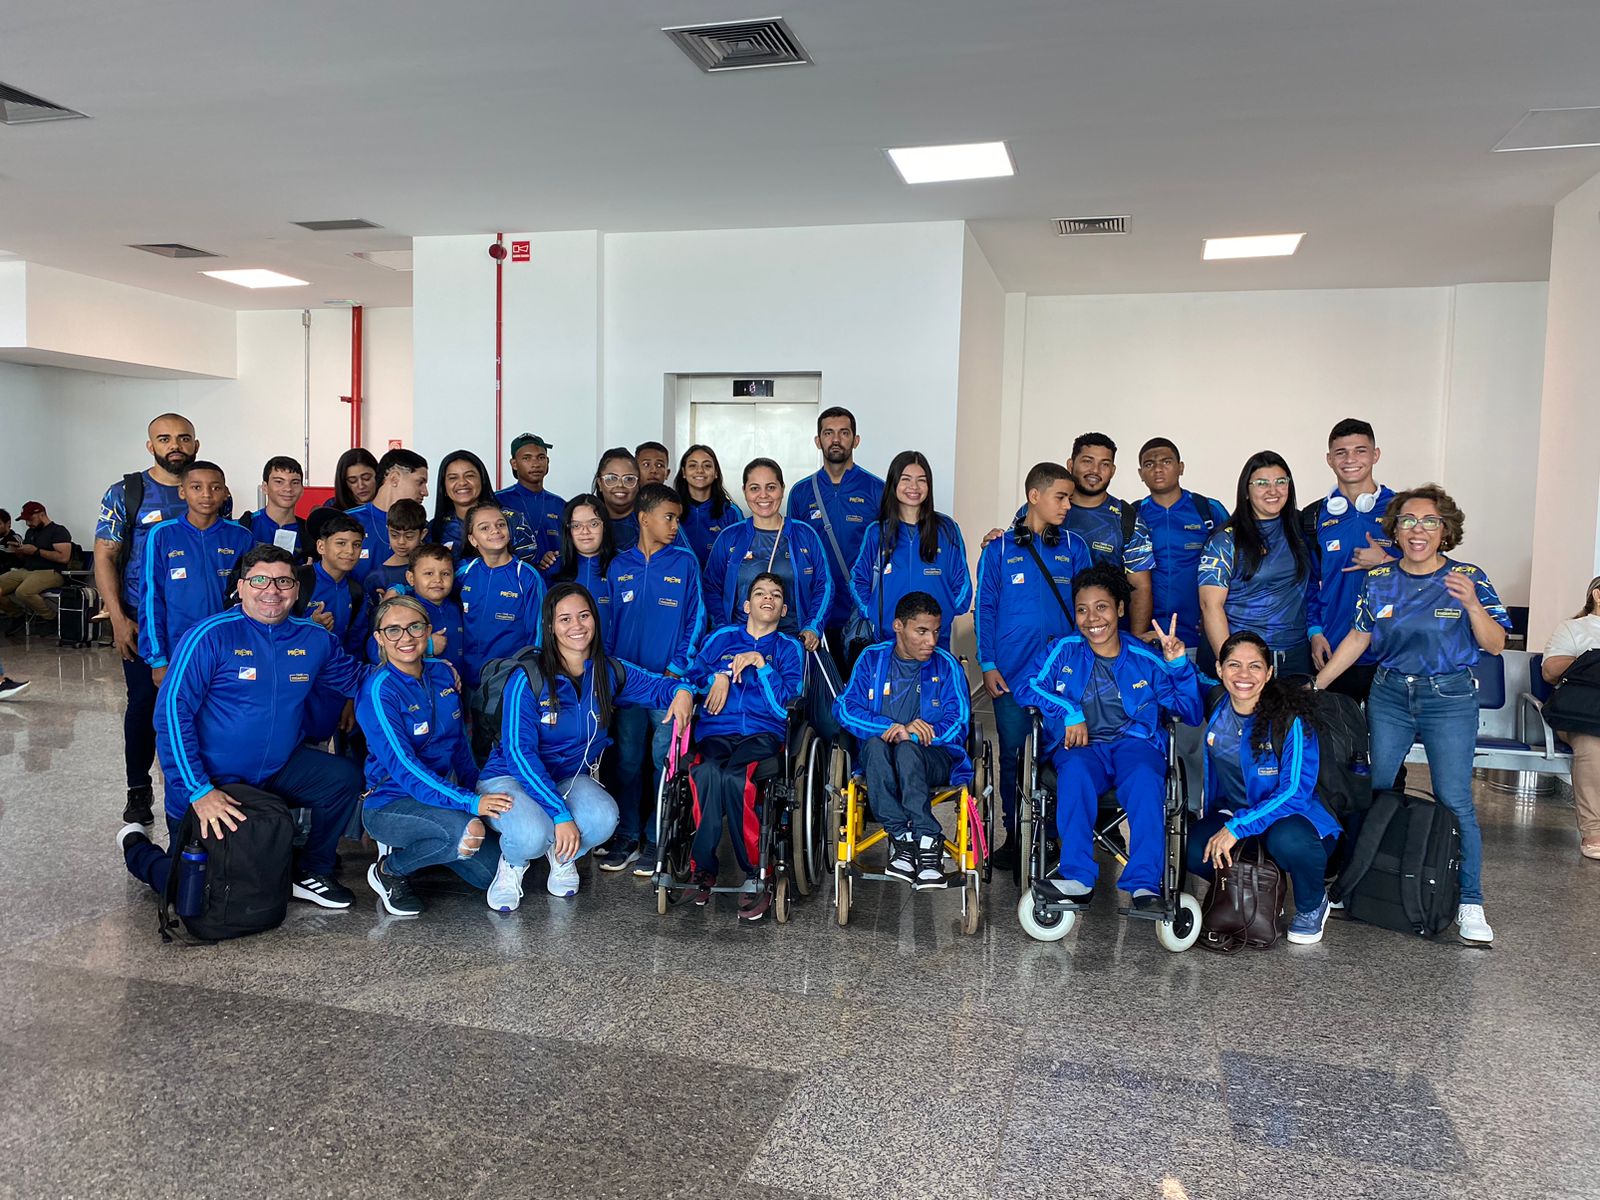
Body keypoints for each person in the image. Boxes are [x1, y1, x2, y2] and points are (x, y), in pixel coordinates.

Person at [113, 545, 368, 909]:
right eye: (260, 580)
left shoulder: (314, 639)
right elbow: (171, 714)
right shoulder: (208, 636)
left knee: (342, 778)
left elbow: (361, 681)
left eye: (283, 581)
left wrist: (427, 669)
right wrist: (199, 791)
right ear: (242, 586)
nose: (272, 590)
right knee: (192, 890)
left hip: (279, 770)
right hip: (211, 780)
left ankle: (312, 870)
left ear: (296, 589)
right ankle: (135, 845)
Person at [1315, 484, 1511, 944]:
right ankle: (1355, 880)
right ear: (1395, 529)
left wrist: (1471, 604)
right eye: (1407, 521)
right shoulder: (1379, 579)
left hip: (1449, 698)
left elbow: (1496, 644)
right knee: (1373, 788)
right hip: (1389, 695)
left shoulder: (1468, 575)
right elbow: (1360, 638)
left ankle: (1470, 900)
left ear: (1445, 530)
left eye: (1428, 521)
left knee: (1453, 797)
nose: (1417, 529)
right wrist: (1316, 687)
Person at [477, 582, 695, 910]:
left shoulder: (607, 671)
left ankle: (561, 856)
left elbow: (660, 685)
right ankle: (513, 863)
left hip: (567, 776)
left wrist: (683, 692)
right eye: (564, 619)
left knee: (605, 818)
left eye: (584, 615)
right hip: (510, 778)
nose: (577, 626)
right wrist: (560, 814)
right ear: (549, 627)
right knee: (530, 834)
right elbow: (520, 754)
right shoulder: (528, 678)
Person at [1020, 564, 1202, 907]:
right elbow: (1028, 687)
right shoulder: (1063, 650)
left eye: (1101, 606)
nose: (1092, 619)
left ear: (1120, 608)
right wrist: (1069, 711)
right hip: (1081, 747)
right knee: (1073, 774)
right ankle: (1076, 876)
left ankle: (1146, 883)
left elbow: (1189, 711)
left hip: (1134, 743)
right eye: (1082, 609)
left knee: (1148, 778)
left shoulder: (1145, 657)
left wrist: (1178, 665)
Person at [95, 413, 221, 826]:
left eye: (184, 438)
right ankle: (138, 789)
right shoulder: (126, 492)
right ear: (150, 446)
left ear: (196, 444)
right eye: (165, 439)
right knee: (145, 705)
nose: (175, 445)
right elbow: (105, 556)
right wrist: (117, 618)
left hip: (203, 628)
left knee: (202, 708)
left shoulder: (210, 490)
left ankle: (193, 784)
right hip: (141, 621)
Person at [357, 595, 508, 917]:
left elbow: (458, 745)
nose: (406, 638)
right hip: (390, 803)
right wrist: (470, 804)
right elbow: (405, 767)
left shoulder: (441, 673)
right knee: (466, 834)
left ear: (428, 631)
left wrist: (479, 789)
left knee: (490, 875)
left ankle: (426, 842)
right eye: (393, 630)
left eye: (414, 627)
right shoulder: (379, 691)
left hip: (437, 797)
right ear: (379, 638)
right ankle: (391, 870)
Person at [975, 461, 1094, 870]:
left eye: (1070, 498)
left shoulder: (1075, 547)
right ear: (1034, 496)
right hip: (1009, 674)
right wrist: (987, 663)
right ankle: (1014, 834)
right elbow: (985, 610)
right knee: (1013, 755)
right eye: (1061, 497)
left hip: (1061, 678)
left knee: (1063, 754)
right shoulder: (1000, 549)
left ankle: (1056, 837)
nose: (1067, 506)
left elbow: (1088, 610)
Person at [1191, 631, 1343, 945]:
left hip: (1298, 821)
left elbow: (1295, 792)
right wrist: (1177, 657)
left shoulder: (1290, 720)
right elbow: (1183, 678)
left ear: (1269, 672)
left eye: (1254, 666)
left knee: (1287, 840)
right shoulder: (1217, 702)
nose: (1243, 675)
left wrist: (1237, 827)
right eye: (1233, 665)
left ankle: (1313, 903)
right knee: (1194, 848)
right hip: (1240, 815)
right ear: (1219, 670)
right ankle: (1260, 886)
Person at [594, 483, 705, 874]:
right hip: (625, 687)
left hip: (665, 685)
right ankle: (626, 834)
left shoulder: (685, 563)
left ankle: (658, 837)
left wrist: (677, 668)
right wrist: (608, 676)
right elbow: (605, 629)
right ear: (644, 519)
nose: (675, 526)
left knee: (663, 761)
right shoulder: (618, 566)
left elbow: (696, 620)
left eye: (677, 518)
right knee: (625, 761)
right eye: (668, 517)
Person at [683, 572, 806, 919]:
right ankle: (702, 867)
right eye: (761, 593)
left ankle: (755, 871)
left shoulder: (789, 648)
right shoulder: (722, 637)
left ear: (783, 610)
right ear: (746, 605)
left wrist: (762, 665)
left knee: (737, 779)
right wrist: (716, 677)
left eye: (777, 595)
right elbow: (691, 677)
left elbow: (787, 706)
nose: (769, 599)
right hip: (716, 731)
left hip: (762, 734)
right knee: (706, 772)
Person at [834, 591, 972, 890]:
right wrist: (887, 727)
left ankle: (927, 839)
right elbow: (844, 707)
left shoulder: (946, 665)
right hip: (879, 759)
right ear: (899, 626)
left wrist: (913, 734)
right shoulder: (871, 659)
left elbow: (959, 720)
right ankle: (902, 837)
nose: (931, 641)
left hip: (932, 759)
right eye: (921, 631)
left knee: (908, 749)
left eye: (935, 631)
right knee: (873, 744)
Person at [1198, 452, 1320, 678]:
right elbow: (1210, 606)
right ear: (1246, 490)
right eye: (1262, 483)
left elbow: (1313, 585)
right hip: (1245, 659)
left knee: (1295, 714)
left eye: (1280, 482)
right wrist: (1232, 666)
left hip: (1295, 655)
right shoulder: (1225, 540)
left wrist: (1316, 632)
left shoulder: (1302, 530)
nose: (1273, 491)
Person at [1304, 419, 1396, 700]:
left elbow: (1429, 574)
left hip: (1392, 652)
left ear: (1376, 455)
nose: (1351, 459)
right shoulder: (1314, 516)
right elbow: (1308, 583)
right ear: (1329, 459)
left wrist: (1386, 562)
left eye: (1360, 450)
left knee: (1385, 743)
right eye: (1341, 452)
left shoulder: (1401, 509)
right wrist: (1315, 632)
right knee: (1334, 742)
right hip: (1332, 649)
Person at [138, 462, 253, 680]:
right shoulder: (161, 535)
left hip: (230, 647)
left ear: (225, 492)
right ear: (182, 491)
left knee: (225, 711)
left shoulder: (241, 536)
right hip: (178, 648)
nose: (207, 494)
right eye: (196, 487)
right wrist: (158, 659)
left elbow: (250, 598)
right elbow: (151, 599)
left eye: (215, 487)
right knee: (182, 710)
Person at [787, 406, 886, 660]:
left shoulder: (877, 489)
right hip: (816, 612)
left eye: (844, 432)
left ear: (856, 440)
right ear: (818, 441)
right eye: (828, 433)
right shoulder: (801, 492)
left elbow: (886, 554)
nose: (836, 439)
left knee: (861, 690)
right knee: (821, 694)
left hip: (861, 612)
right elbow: (795, 554)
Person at [704, 459, 831, 651]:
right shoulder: (730, 537)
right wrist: (724, 629)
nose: (763, 495)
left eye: (771, 487)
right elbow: (711, 587)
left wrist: (812, 627)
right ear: (745, 490)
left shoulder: (805, 534)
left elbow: (825, 584)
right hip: (740, 645)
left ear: (782, 488)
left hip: (794, 645)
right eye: (755, 488)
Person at [850, 451, 971, 652]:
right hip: (889, 641)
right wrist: (873, 613)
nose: (913, 487)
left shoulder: (947, 529)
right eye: (906, 479)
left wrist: (945, 615)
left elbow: (963, 584)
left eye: (921, 480)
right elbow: (857, 579)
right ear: (893, 484)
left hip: (935, 643)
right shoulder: (877, 532)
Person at [1132, 438, 1229, 652]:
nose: (1158, 468)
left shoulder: (1208, 510)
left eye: (1166, 462)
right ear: (1140, 473)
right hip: (1147, 638)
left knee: (1200, 686)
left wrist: (1218, 615)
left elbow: (1235, 567)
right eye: (1149, 464)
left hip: (1199, 635)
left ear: (1181, 467)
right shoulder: (1132, 515)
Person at [1062, 433, 1155, 635]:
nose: (1095, 470)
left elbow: (1140, 587)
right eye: (1087, 461)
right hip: (1048, 634)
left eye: (1104, 464)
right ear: (1070, 464)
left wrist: (1136, 640)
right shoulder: (1044, 506)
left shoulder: (1127, 518)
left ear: (1112, 471)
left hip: (1104, 638)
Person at [298, 513, 370, 746]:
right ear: (321, 546)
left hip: (332, 694)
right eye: (341, 543)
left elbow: (355, 649)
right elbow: (270, 632)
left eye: (356, 544)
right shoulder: (298, 581)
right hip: (295, 689)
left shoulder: (357, 593)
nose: (349, 551)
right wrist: (310, 627)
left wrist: (350, 697)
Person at [455, 502, 545, 689]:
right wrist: (399, 589)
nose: (495, 530)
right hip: (465, 681)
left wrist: (527, 677)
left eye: (501, 524)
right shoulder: (464, 573)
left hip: (509, 682)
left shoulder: (526, 576)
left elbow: (538, 634)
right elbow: (430, 591)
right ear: (473, 539)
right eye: (484, 528)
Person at [1542, 576, 1600, 860]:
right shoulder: (1574, 629)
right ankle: (1594, 830)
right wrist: (1590, 660)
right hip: (1582, 714)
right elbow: (1550, 671)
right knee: (1592, 744)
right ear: (1598, 596)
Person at [430, 449, 536, 561]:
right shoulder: (435, 528)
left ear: (482, 480)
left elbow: (526, 570)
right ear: (444, 487)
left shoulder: (513, 520)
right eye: (453, 478)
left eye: (469, 476)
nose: (462, 483)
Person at [347, 448, 429, 585]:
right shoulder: (348, 520)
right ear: (394, 478)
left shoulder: (422, 527)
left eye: (408, 536)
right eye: (420, 482)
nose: (425, 492)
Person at [496, 433, 566, 571]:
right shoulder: (498, 500)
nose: (535, 464)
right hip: (512, 581)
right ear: (514, 464)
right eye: (527, 458)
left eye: (541, 458)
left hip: (554, 583)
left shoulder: (560, 504)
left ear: (548, 462)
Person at [0, 501, 73, 633]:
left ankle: (51, 618)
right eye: (25, 520)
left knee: (23, 591)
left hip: (51, 571)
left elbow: (64, 557)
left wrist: (37, 551)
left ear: (42, 514)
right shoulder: (30, 532)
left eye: (30, 519)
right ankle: (17, 615)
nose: (28, 523)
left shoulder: (58, 531)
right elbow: (27, 555)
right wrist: (19, 552)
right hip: (27, 570)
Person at [399, 543, 466, 677]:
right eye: (429, 573)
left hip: (457, 687)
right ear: (411, 578)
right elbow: (376, 649)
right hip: (422, 688)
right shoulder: (403, 610)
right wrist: (428, 646)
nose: (438, 580)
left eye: (445, 573)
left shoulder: (457, 606)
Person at [674, 444, 743, 567]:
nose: (700, 470)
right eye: (692, 465)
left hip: (718, 584)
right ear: (684, 472)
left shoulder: (730, 512)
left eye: (707, 466)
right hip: (679, 583)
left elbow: (740, 557)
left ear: (716, 473)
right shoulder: (671, 510)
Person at [544, 494, 616, 595]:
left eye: (593, 524)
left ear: (604, 527)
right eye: (576, 525)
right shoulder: (553, 567)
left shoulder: (622, 566)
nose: (585, 531)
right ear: (568, 530)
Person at [238, 456, 307, 558]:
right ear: (265, 488)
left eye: (295, 482)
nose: (288, 488)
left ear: (302, 490)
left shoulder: (309, 533)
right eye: (279, 482)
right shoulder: (244, 526)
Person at [363, 498, 428, 604]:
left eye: (409, 536)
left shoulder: (434, 567)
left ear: (423, 534)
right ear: (387, 530)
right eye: (394, 535)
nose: (401, 542)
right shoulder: (377, 577)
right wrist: (383, 607)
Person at [593, 448, 642, 551]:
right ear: (600, 483)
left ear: (638, 484)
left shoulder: (652, 520)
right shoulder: (585, 521)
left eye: (629, 479)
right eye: (612, 478)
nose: (620, 485)